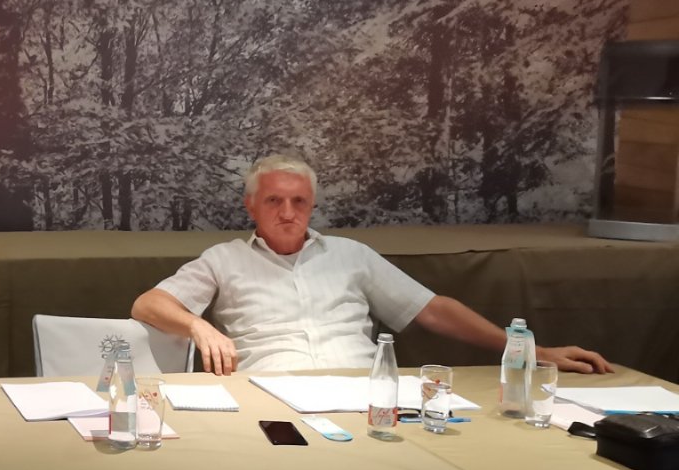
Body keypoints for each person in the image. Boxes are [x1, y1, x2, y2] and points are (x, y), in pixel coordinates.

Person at [132, 155, 614, 376]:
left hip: (366, 395)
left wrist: (533, 350)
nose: (288, 212)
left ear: (312, 205)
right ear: (251, 206)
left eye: (299, 201)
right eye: (274, 200)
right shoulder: (224, 259)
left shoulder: (350, 254)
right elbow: (147, 304)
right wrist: (198, 326)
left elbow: (432, 310)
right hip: (270, 396)